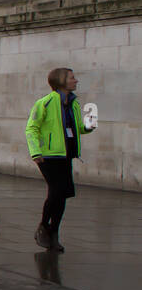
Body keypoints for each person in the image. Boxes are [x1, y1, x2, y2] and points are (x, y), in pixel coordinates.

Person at [27, 67, 94, 252]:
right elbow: (31, 128)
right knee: (56, 190)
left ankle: (53, 232)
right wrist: (35, 152)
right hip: (48, 156)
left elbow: (78, 127)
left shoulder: (73, 103)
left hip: (66, 155)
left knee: (62, 194)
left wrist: (89, 125)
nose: (76, 81)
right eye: (72, 78)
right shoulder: (45, 102)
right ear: (61, 81)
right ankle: (43, 226)